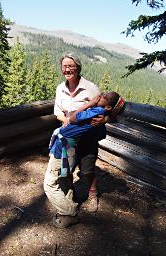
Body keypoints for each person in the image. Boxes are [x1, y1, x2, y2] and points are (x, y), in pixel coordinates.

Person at [44, 52, 125, 228]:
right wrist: (65, 120)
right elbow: (58, 111)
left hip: (87, 138)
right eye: (64, 66)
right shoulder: (60, 88)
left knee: (87, 170)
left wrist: (105, 120)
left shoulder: (91, 88)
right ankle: (68, 198)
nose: (67, 69)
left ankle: (93, 194)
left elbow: (109, 111)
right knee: (66, 170)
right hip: (70, 138)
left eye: (71, 66)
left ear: (78, 67)